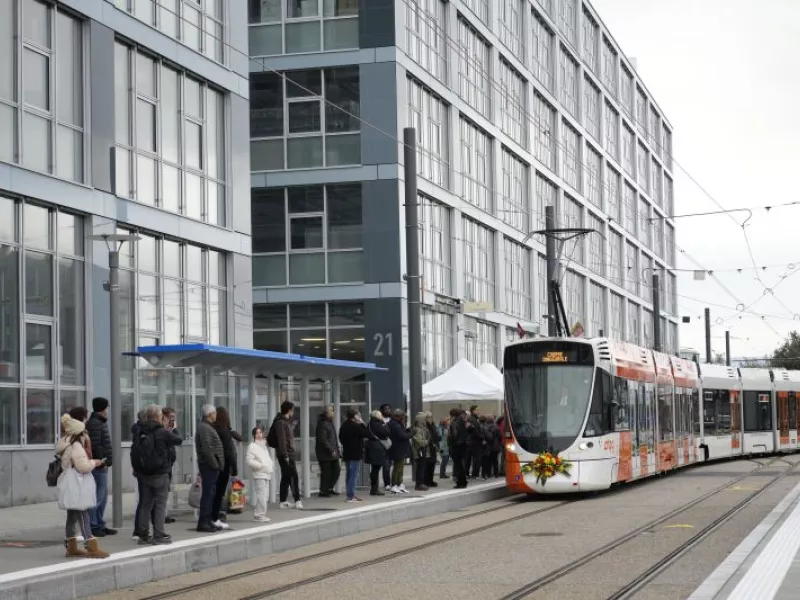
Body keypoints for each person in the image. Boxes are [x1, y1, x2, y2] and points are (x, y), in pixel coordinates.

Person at [56, 407, 109, 559]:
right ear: (80, 432)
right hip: (77, 484)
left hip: (69, 482)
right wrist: (96, 462)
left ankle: (71, 547)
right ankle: (91, 547)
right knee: (83, 513)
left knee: (72, 516)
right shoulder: (77, 446)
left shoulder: (66, 444)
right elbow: (83, 466)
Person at [132, 404, 183, 545]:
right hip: (160, 473)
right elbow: (178, 440)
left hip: (143, 474)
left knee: (145, 504)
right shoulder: (162, 432)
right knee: (160, 504)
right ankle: (159, 534)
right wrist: (175, 429)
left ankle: (143, 535)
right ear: (158, 416)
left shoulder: (139, 430)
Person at [86, 397, 115, 538]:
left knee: (102, 497)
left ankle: (100, 523)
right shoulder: (96, 423)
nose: (108, 410)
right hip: (98, 465)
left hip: (101, 464)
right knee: (97, 497)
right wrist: (102, 461)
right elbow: (96, 445)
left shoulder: (99, 421)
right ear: (103, 408)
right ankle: (93, 525)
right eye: (107, 407)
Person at [195, 404, 224, 533]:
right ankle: (203, 522)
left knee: (211, 493)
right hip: (208, 466)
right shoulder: (204, 428)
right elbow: (207, 449)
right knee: (207, 494)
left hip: (210, 466)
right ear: (209, 414)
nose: (216, 415)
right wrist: (215, 464)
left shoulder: (206, 426)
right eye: (214, 413)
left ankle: (208, 520)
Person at [271, 401, 303, 509]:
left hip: (287, 454)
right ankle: (297, 500)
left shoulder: (286, 422)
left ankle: (283, 501)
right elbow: (282, 440)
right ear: (289, 410)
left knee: (286, 476)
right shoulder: (281, 422)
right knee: (294, 476)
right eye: (293, 410)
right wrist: (285, 455)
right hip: (285, 455)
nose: (293, 412)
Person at [211, 406, 237, 530]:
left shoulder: (213, 428)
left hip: (214, 464)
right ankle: (216, 517)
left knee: (215, 492)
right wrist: (234, 467)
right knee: (220, 492)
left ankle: (213, 516)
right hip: (224, 465)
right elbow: (229, 451)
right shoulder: (224, 430)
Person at [338, 407, 370, 502]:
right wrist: (362, 423)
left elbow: (341, 438)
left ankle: (350, 494)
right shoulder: (356, 426)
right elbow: (367, 434)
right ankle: (350, 495)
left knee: (349, 475)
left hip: (347, 453)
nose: (360, 416)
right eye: (359, 415)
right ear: (355, 416)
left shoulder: (344, 425)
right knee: (354, 475)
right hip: (355, 453)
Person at [245, 426, 274, 522]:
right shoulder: (252, 446)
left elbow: (267, 459)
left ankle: (259, 514)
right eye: (256, 433)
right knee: (262, 496)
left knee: (265, 496)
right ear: (254, 435)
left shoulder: (264, 446)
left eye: (260, 433)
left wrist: (269, 466)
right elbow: (249, 460)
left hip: (266, 474)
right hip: (259, 474)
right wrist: (260, 466)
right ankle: (260, 515)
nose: (259, 435)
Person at [315, 405, 340, 497]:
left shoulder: (329, 422)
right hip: (325, 453)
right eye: (331, 411)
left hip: (332, 452)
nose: (333, 412)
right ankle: (323, 491)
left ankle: (329, 488)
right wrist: (331, 450)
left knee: (336, 470)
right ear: (326, 413)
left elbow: (332, 438)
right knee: (327, 473)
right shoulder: (323, 423)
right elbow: (323, 439)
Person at [364, 410, 390, 496]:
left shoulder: (370, 424)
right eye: (380, 415)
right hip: (377, 448)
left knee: (375, 468)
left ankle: (374, 488)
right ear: (378, 416)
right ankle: (374, 489)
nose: (382, 416)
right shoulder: (377, 424)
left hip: (372, 447)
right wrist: (384, 423)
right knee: (376, 469)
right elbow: (387, 432)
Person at [161, 406, 179, 523]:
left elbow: (178, 440)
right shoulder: (161, 430)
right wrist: (169, 431)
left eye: (173, 417)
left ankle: (164, 513)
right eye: (170, 417)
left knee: (166, 490)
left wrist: (174, 430)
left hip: (169, 463)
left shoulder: (170, 429)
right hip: (162, 464)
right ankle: (160, 515)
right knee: (161, 491)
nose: (172, 420)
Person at [387, 409, 412, 494]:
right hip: (397, 448)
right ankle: (394, 485)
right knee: (397, 467)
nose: (404, 418)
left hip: (399, 448)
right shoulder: (395, 424)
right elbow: (402, 436)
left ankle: (399, 484)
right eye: (403, 416)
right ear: (398, 416)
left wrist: (407, 431)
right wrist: (411, 434)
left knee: (400, 467)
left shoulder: (396, 423)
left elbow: (402, 434)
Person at [411, 413, 431, 491]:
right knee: (420, 468)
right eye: (425, 419)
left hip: (423, 451)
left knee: (422, 468)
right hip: (419, 452)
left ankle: (420, 483)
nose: (426, 421)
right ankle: (419, 484)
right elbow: (419, 441)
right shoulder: (417, 429)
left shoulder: (423, 428)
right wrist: (427, 441)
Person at [448, 408, 468, 489]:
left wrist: (450, 440)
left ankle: (461, 482)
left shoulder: (454, 423)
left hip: (456, 445)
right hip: (463, 445)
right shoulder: (462, 421)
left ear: (452, 415)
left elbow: (454, 435)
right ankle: (463, 481)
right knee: (461, 464)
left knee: (458, 465)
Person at [467, 405, 484, 479]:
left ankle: (474, 473)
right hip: (475, 442)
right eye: (477, 410)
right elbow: (474, 431)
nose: (478, 411)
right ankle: (474, 474)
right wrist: (481, 437)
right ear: (473, 410)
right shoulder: (472, 419)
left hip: (475, 441)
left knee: (476, 459)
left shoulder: (475, 419)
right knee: (476, 458)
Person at [423, 412, 439, 487]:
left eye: (431, 417)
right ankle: (426, 481)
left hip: (433, 447)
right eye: (428, 417)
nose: (430, 419)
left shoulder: (433, 425)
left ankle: (430, 480)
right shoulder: (425, 426)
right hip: (428, 447)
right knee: (427, 464)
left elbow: (435, 435)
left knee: (432, 464)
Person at [379, 404, 393, 490]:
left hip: (392, 445)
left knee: (391, 465)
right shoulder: (380, 421)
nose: (388, 411)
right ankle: (387, 483)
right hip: (383, 445)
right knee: (386, 465)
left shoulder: (392, 420)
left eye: (389, 409)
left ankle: (394, 482)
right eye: (385, 409)